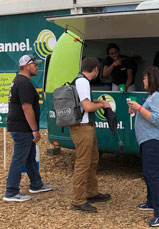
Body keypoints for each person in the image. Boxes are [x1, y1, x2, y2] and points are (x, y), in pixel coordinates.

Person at [3, 54, 53, 202]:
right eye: (35, 65)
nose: (37, 67)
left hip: (21, 127)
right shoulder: (24, 83)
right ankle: (11, 192)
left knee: (29, 157)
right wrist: (34, 130)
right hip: (23, 128)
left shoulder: (19, 81)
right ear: (27, 66)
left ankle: (36, 184)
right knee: (18, 159)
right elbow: (26, 108)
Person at [128, 66, 159, 227]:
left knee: (152, 174)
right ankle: (151, 202)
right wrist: (135, 110)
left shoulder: (158, 97)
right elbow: (147, 116)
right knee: (148, 172)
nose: (143, 80)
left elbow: (157, 119)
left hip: (153, 140)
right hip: (147, 140)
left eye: (145, 78)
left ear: (152, 79)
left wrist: (139, 108)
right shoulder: (152, 97)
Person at [70, 57, 112, 213]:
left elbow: (84, 102)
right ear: (95, 69)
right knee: (83, 163)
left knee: (93, 160)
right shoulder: (83, 82)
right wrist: (102, 104)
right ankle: (79, 200)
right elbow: (87, 106)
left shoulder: (80, 81)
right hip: (82, 128)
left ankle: (91, 192)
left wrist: (97, 102)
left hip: (86, 127)